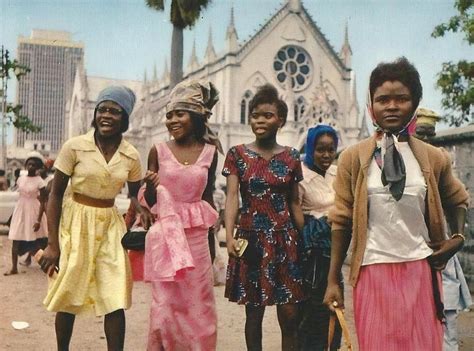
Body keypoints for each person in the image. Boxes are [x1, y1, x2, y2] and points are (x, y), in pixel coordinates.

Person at [323, 57, 469, 350]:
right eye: (382, 99)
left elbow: (459, 199)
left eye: (401, 98)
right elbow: (341, 220)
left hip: (421, 272)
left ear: (414, 102)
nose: (391, 106)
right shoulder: (354, 157)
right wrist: (333, 280)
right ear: (371, 104)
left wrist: (458, 238)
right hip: (372, 271)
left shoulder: (433, 157)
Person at [39, 86, 153, 350]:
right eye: (102, 109)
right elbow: (55, 196)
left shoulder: (131, 155)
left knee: (115, 295)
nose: (107, 116)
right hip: (75, 222)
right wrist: (53, 244)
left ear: (125, 118)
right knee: (68, 292)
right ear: (95, 113)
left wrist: (142, 206)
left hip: (109, 226)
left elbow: (134, 195)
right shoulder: (75, 147)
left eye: (115, 111)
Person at [223, 84, 305, 350]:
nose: (260, 120)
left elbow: (294, 201)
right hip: (252, 240)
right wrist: (229, 236)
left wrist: (303, 239)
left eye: (267, 115)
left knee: (290, 315)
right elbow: (232, 197)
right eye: (256, 115)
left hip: (285, 240)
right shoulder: (238, 155)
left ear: (280, 120)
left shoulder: (292, 157)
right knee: (254, 314)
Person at [143, 80, 221, 350]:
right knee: (164, 309)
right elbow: (151, 203)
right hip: (165, 239)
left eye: (180, 114)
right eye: (169, 115)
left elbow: (207, 197)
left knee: (199, 310)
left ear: (197, 117)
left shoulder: (210, 153)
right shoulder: (158, 150)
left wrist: (213, 250)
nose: (172, 120)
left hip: (198, 243)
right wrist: (151, 186)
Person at [414, 107, 473, 351]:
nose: (426, 139)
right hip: (411, 249)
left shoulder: (440, 160)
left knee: (446, 315)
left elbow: (461, 199)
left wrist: (458, 237)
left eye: (430, 134)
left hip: (441, 247)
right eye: (421, 134)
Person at [297, 125, 342, 350]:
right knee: (314, 305)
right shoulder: (301, 175)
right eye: (320, 149)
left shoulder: (338, 172)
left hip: (336, 245)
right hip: (313, 250)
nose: (325, 155)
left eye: (330, 150)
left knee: (335, 306)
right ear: (310, 148)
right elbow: (295, 210)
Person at [4, 151, 48, 276]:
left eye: (34, 165)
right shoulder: (20, 179)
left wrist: (39, 220)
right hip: (20, 211)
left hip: (33, 211)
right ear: (25, 165)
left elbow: (43, 201)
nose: (31, 167)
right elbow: (18, 196)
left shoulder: (40, 182)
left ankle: (45, 264)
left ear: (38, 167)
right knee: (15, 238)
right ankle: (14, 268)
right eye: (29, 164)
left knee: (37, 241)